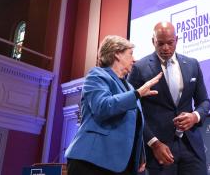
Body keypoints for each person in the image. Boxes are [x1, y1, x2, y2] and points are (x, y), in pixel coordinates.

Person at [65, 35, 163, 175]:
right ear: (117, 54)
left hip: (121, 165)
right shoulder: (97, 75)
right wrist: (138, 93)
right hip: (92, 162)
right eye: (130, 54)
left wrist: (138, 154)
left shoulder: (129, 87)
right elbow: (103, 107)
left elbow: (134, 124)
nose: (134, 60)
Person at [128, 22, 210, 175]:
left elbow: (204, 101)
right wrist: (153, 143)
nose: (165, 48)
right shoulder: (139, 68)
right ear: (153, 41)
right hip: (159, 150)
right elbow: (131, 110)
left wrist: (194, 116)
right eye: (160, 43)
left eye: (170, 43)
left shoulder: (192, 64)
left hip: (191, 146)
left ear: (177, 40)